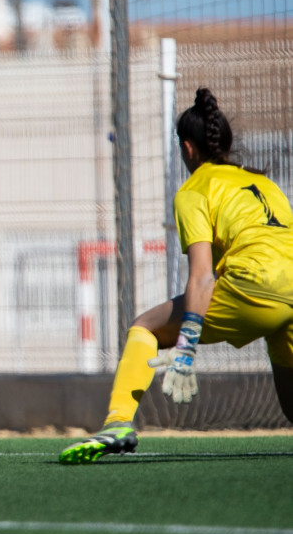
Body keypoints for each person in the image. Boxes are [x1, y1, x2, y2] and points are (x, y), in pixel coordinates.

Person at [59, 87, 293, 465]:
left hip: (254, 286)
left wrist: (186, 344)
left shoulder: (194, 190)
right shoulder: (266, 184)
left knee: (145, 327)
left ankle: (117, 422)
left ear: (187, 148)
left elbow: (202, 277)